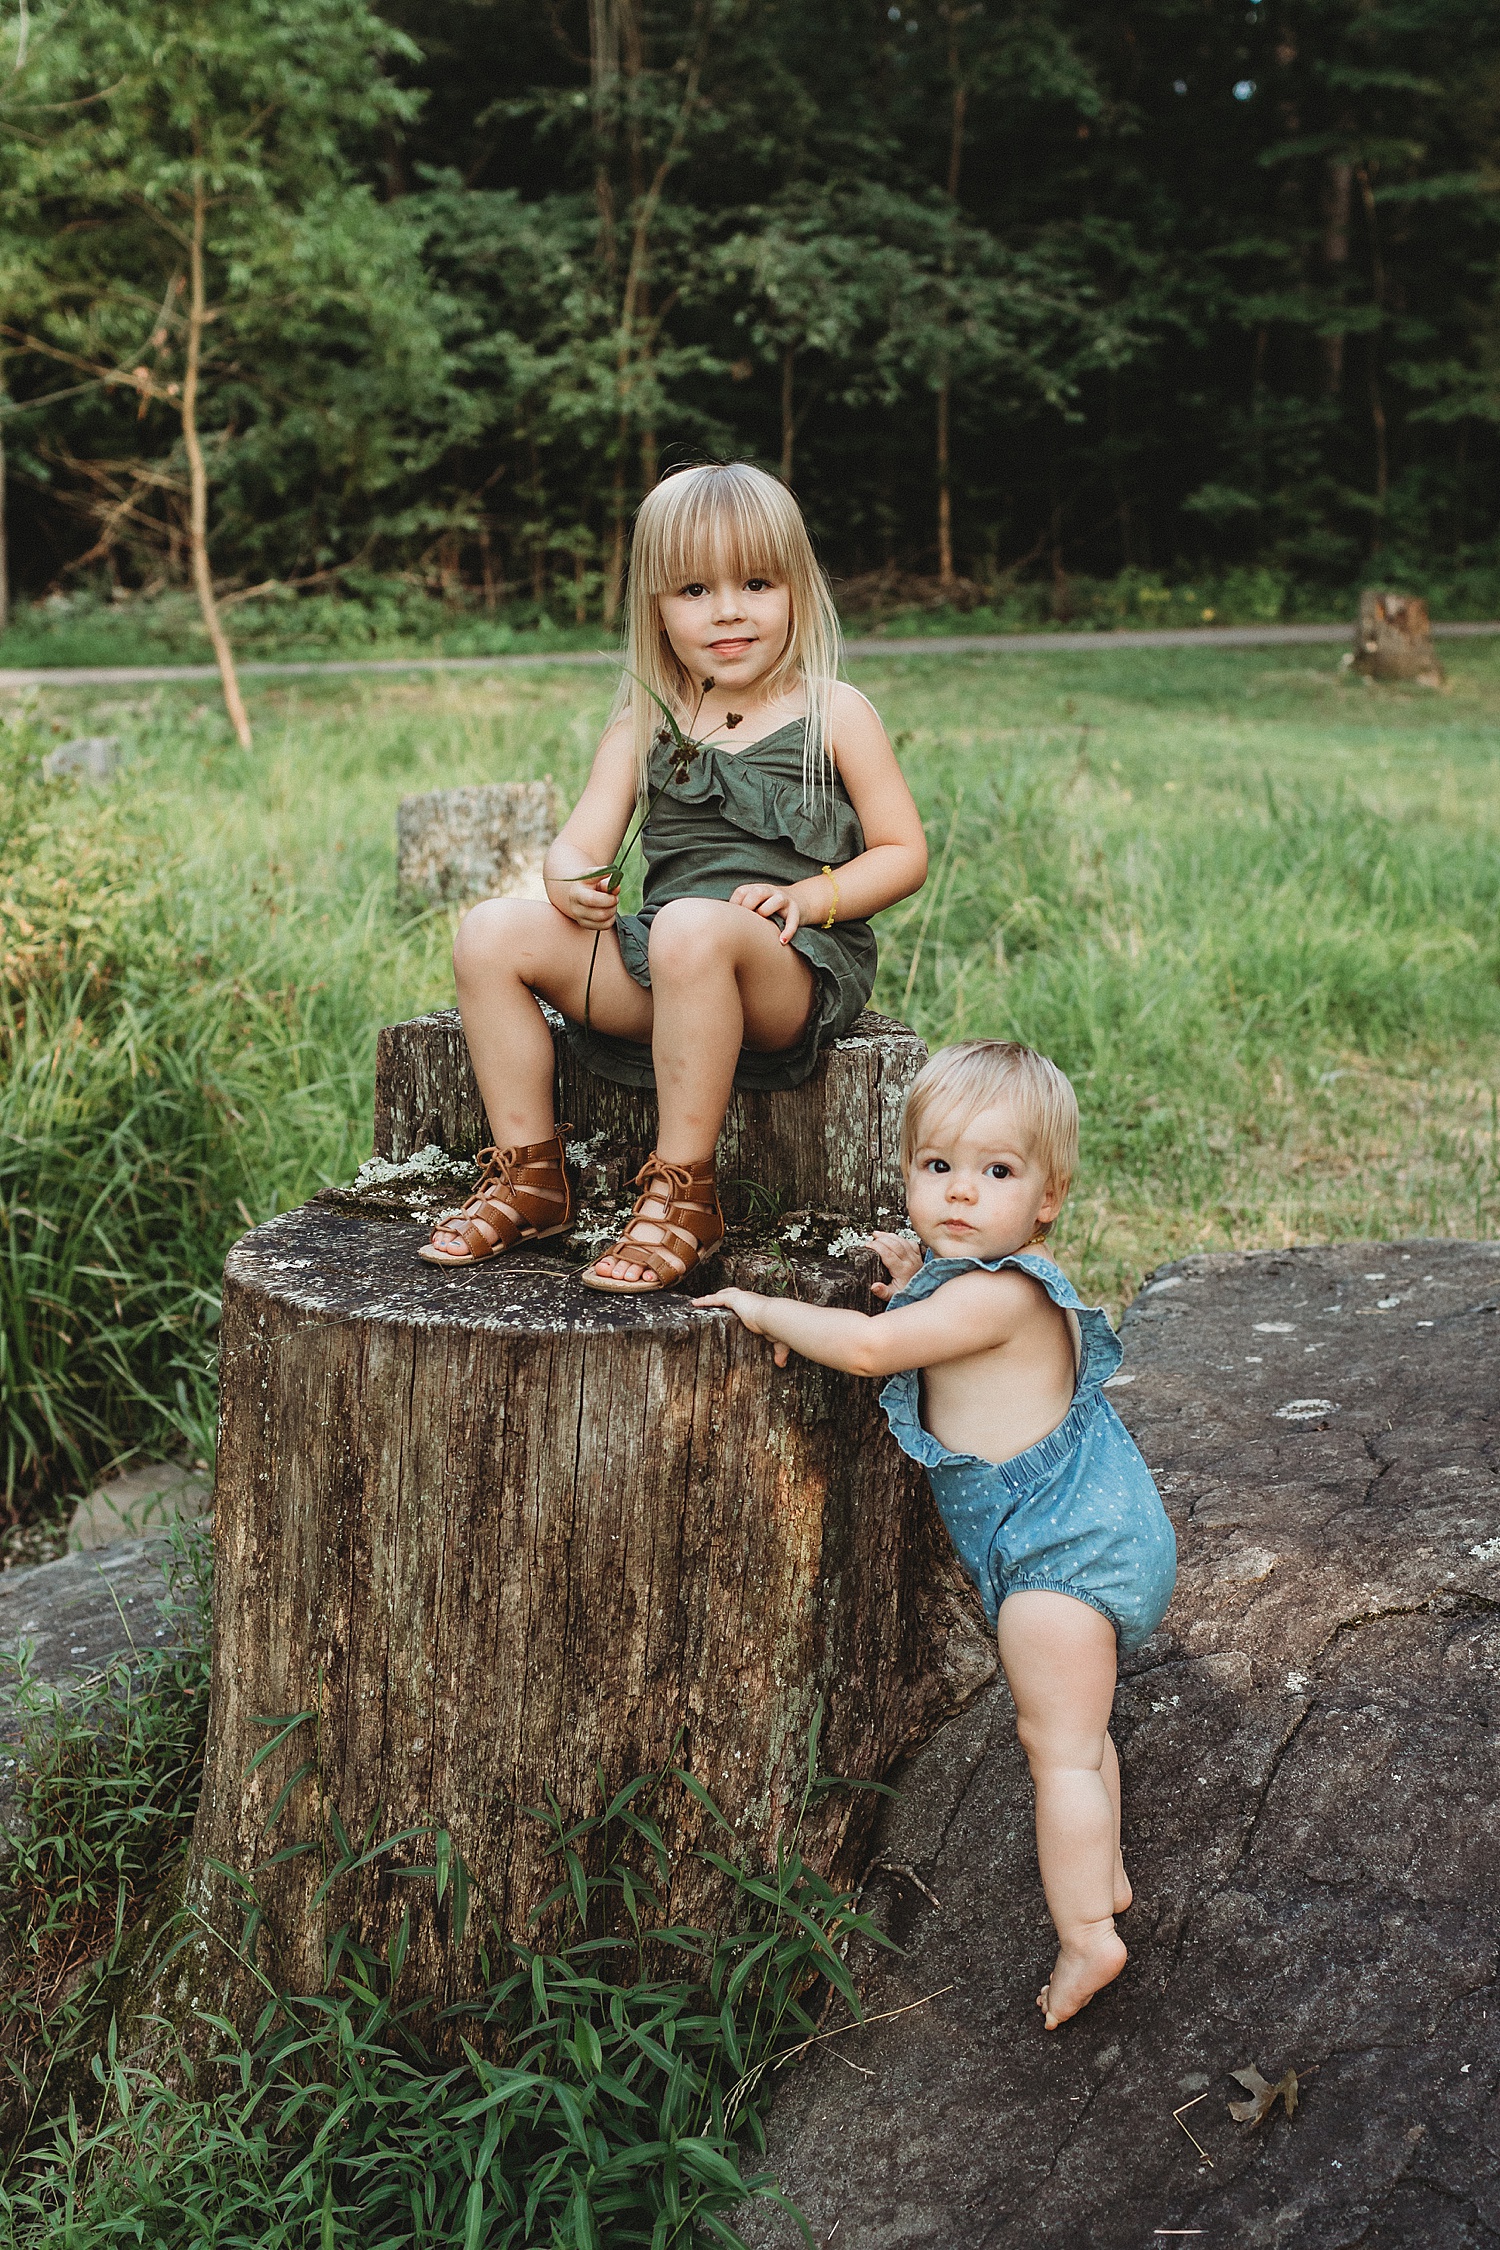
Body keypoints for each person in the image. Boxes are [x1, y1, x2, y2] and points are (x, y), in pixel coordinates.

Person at [694, 1040, 1177, 2029]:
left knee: (1061, 1751)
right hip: (1071, 1543)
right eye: (937, 1168)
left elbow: (873, 1348)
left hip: (1062, 1559)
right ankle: (1108, 1876)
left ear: (1048, 1198)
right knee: (1078, 1732)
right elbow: (925, 1312)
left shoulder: (999, 1297)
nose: (961, 1194)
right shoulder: (970, 1280)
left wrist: (760, 1306)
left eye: (997, 1173)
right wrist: (918, 1271)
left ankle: (1088, 1933)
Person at [419, 461, 928, 1292]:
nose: (728, 609)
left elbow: (903, 852)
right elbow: (578, 841)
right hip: (664, 960)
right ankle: (531, 1175)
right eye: (693, 589)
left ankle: (684, 1194)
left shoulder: (834, 711)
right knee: (488, 934)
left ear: (797, 588)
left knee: (693, 925)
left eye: (756, 582)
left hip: (785, 969)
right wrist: (567, 880)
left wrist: (810, 896)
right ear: (655, 605)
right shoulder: (644, 722)